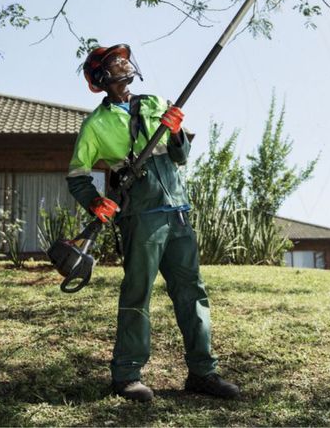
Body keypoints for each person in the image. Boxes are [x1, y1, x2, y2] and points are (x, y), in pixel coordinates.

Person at [66, 44, 240, 403]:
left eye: (124, 58)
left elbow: (181, 156)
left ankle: (203, 372)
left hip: (177, 211)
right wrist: (95, 202)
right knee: (137, 295)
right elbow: (77, 176)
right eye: (114, 61)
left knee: (192, 293)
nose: (123, 63)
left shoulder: (156, 102)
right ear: (100, 78)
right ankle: (127, 376)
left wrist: (176, 133)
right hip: (139, 218)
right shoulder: (96, 125)